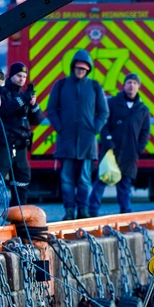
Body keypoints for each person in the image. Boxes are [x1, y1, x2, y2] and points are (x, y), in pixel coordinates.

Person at [46, 49, 108, 220]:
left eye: (84, 68)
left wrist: (95, 129)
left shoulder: (95, 86)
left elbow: (103, 112)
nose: (80, 71)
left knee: (84, 179)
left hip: (87, 141)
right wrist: (60, 127)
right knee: (66, 179)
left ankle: (83, 210)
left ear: (88, 69)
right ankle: (69, 211)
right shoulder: (61, 85)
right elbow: (51, 110)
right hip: (66, 140)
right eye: (78, 68)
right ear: (73, 67)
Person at [90, 73, 151, 216]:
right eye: (129, 82)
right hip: (111, 151)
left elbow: (145, 132)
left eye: (135, 83)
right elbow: (103, 124)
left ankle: (125, 213)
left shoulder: (142, 109)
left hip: (130, 153)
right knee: (102, 180)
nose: (132, 86)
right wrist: (108, 141)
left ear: (138, 87)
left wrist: (138, 149)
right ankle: (92, 210)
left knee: (125, 185)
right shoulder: (112, 103)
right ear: (124, 85)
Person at [0, 62, 44, 193]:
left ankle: (18, 212)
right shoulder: (2, 92)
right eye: (19, 75)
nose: (22, 79)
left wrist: (33, 104)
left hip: (21, 146)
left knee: (22, 179)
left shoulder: (25, 96)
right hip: (4, 144)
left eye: (24, 76)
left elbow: (37, 120)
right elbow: (4, 111)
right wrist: (23, 99)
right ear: (11, 75)